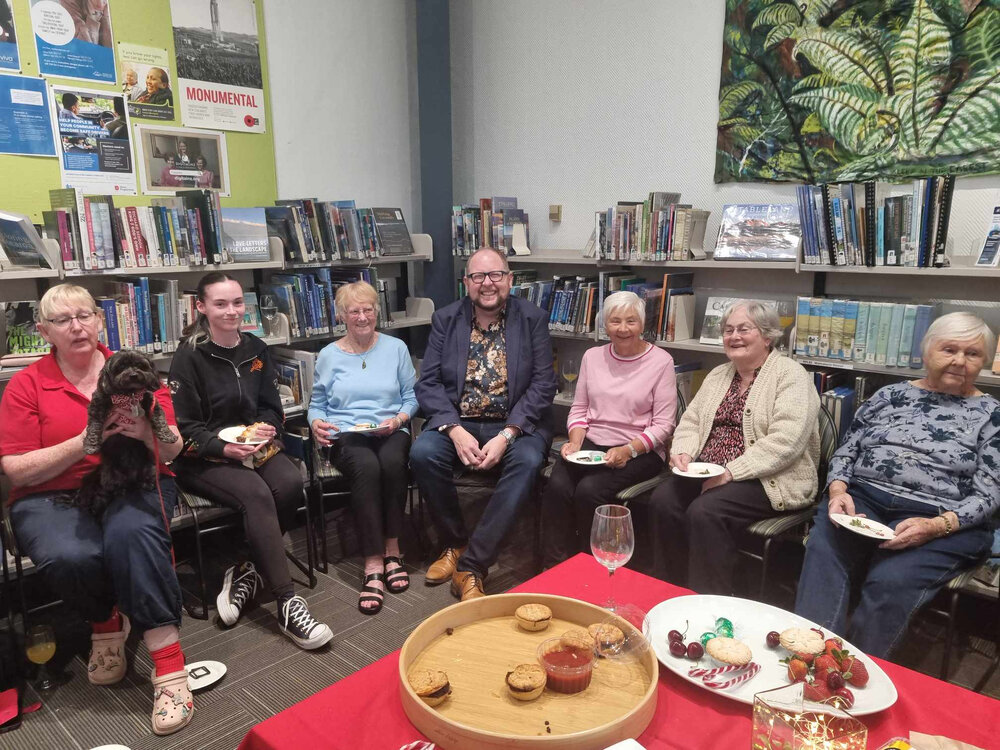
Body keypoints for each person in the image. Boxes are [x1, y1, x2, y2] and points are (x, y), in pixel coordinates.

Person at [0, 284, 193, 736]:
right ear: (45, 331)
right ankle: (106, 624)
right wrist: (91, 438)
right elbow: (17, 470)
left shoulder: (134, 371)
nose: (77, 326)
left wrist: (147, 430)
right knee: (70, 554)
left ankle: (169, 667)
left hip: (133, 480)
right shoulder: (27, 384)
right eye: (63, 320)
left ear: (101, 321)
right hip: (50, 493)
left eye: (84, 316)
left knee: (133, 535)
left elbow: (173, 450)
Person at [796, 312, 998, 658]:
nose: (959, 361)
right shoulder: (889, 396)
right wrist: (838, 490)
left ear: (986, 361)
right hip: (864, 499)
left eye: (973, 354)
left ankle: (855, 676)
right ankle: (809, 659)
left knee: (890, 581)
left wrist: (935, 526)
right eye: (949, 349)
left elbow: (990, 493)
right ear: (927, 351)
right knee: (825, 552)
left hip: (943, 518)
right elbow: (848, 449)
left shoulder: (992, 415)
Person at [168, 272, 333, 650]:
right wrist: (223, 448)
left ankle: (247, 567)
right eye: (221, 304)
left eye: (238, 303)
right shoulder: (188, 357)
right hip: (203, 457)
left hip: (253, 447)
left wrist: (265, 429)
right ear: (202, 307)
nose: (231, 311)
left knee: (291, 483)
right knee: (258, 495)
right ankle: (288, 603)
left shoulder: (257, 349)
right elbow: (184, 428)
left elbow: (273, 409)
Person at [410, 247, 557, 601]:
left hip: (515, 423)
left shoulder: (531, 317)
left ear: (509, 279)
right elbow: (427, 382)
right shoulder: (447, 319)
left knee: (528, 461)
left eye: (495, 275)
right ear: (466, 283)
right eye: (478, 276)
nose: (487, 283)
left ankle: (473, 565)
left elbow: (543, 384)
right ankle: (454, 542)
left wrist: (508, 434)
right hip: (460, 421)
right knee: (422, 452)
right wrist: (453, 429)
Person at [650, 300, 820, 595]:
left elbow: (787, 441)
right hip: (709, 470)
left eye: (744, 329)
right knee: (663, 500)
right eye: (728, 330)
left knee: (706, 511)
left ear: (767, 336)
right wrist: (684, 451)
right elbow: (691, 421)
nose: (734, 336)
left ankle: (709, 601)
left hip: (768, 478)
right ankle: (670, 591)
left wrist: (731, 473)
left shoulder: (791, 375)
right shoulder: (719, 375)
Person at [541, 291, 677, 568]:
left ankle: (591, 566)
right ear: (605, 324)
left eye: (631, 321)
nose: (623, 329)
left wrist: (629, 449)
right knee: (557, 486)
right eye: (615, 321)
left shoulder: (661, 362)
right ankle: (554, 566)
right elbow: (579, 409)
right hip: (591, 445)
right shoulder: (592, 356)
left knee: (589, 491)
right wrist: (575, 442)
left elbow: (664, 425)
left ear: (642, 324)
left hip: (640, 450)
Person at [309, 282, 418, 615]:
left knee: (392, 463)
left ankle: (393, 549)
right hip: (347, 433)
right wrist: (316, 424)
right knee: (367, 468)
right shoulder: (328, 355)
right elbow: (317, 404)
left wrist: (399, 420)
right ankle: (373, 561)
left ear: (376, 312)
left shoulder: (396, 347)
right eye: (354, 311)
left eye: (368, 309)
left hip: (390, 428)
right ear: (342, 316)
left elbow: (411, 399)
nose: (362, 317)